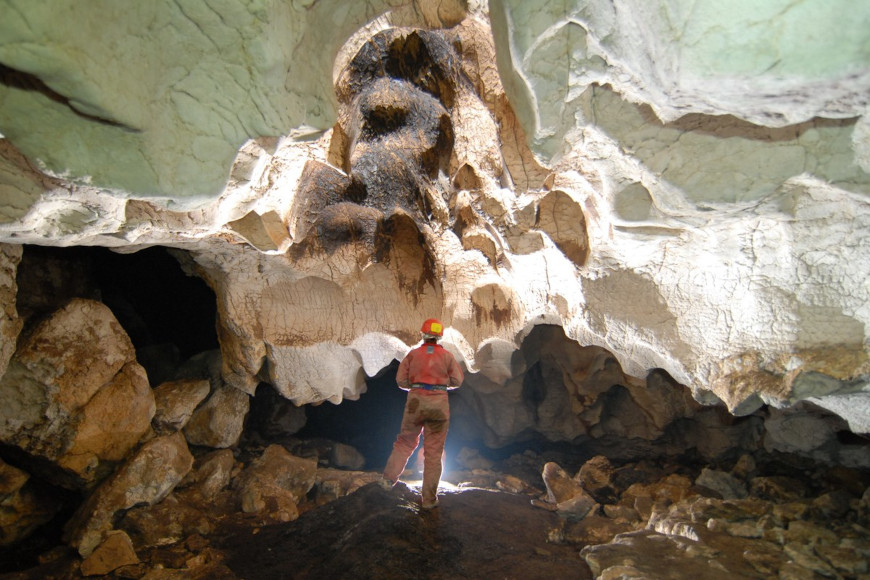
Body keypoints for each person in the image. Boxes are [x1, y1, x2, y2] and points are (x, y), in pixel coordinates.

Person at [381, 318, 464, 509]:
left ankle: (387, 481)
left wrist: (417, 386)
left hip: (415, 402)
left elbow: (401, 381)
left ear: (423, 334)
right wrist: (440, 386)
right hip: (438, 405)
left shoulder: (412, 355)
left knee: (405, 442)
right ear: (439, 336)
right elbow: (457, 380)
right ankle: (428, 500)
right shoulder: (446, 356)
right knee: (434, 452)